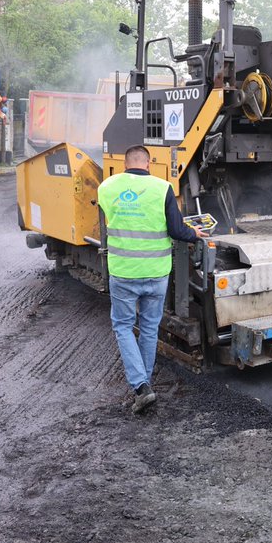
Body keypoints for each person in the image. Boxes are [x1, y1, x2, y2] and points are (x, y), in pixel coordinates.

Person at [97, 145, 206, 413]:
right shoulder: (163, 188)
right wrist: (196, 234)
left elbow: (108, 219)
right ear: (149, 163)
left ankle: (141, 387)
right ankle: (143, 386)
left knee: (123, 327)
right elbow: (177, 230)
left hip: (123, 273)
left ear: (125, 163)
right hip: (156, 273)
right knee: (148, 329)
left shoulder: (107, 187)